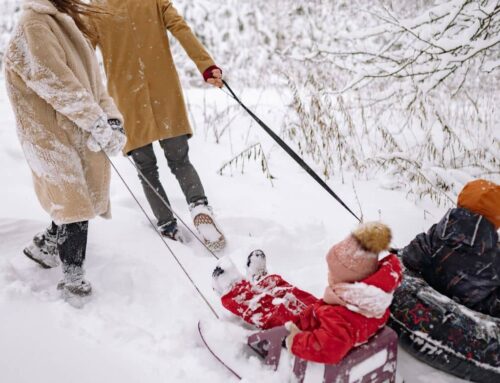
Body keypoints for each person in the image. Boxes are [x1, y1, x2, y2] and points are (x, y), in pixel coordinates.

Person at [4, 0, 126, 303]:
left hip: (74, 127)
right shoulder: (34, 23)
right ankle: (74, 281)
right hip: (46, 134)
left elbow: (94, 85)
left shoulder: (68, 23)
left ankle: (44, 247)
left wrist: (111, 119)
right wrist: (94, 120)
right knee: (74, 203)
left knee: (79, 197)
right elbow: (56, 83)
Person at [87, 0, 225, 249]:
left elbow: (83, 55)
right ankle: (198, 205)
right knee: (179, 159)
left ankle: (168, 226)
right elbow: (181, 29)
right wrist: (206, 66)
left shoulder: (97, 9)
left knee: (146, 169)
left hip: (127, 100)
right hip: (164, 95)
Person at [212, 222, 402, 364]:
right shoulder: (371, 299)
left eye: (333, 275)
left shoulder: (342, 318)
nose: (329, 277)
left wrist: (295, 340)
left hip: (306, 331)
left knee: (271, 312)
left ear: (351, 282)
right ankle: (264, 283)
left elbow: (328, 348)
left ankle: (236, 292)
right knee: (295, 295)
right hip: (320, 317)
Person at [401, 179, 500, 317]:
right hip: (465, 320)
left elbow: (409, 256)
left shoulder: (438, 234)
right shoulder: (495, 258)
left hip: (421, 306)